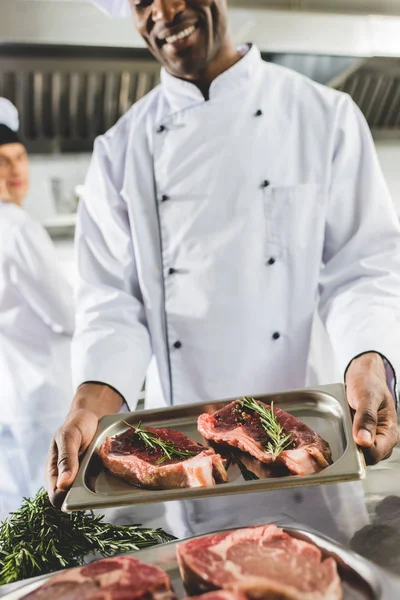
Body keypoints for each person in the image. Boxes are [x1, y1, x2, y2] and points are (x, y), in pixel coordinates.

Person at [47, 0, 400, 517]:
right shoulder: (120, 150)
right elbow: (112, 306)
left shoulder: (323, 116)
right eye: (142, 0)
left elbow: (363, 269)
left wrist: (371, 362)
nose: (165, 10)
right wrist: (86, 407)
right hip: (191, 480)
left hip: (315, 465)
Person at [0, 98, 74, 520]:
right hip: (42, 394)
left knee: (14, 515)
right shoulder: (16, 227)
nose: (16, 170)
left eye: (20, 158)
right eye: (3, 161)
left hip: (10, 396)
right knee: (48, 514)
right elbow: (66, 314)